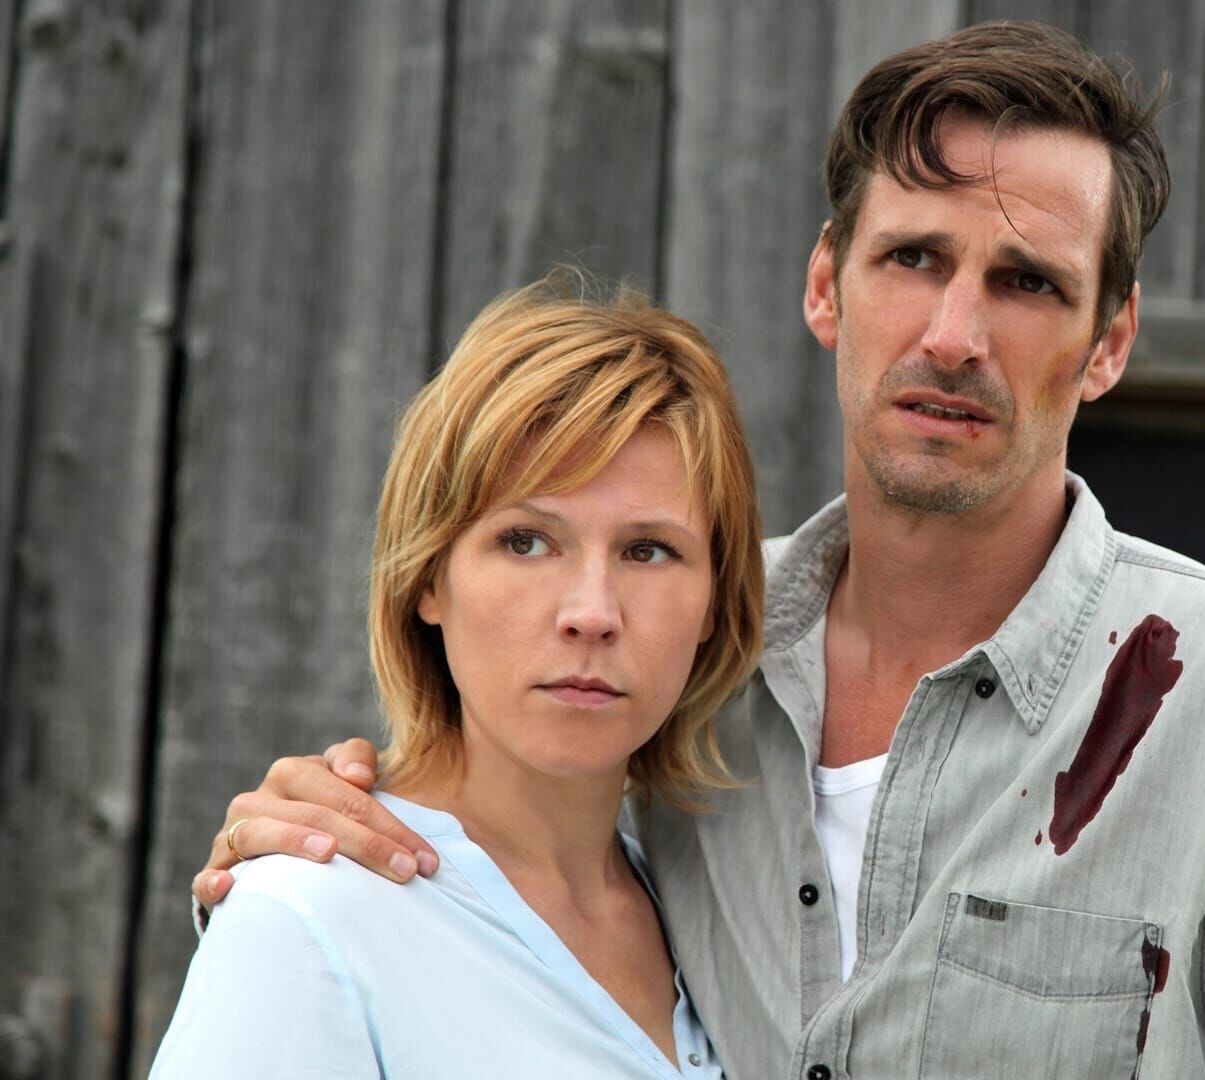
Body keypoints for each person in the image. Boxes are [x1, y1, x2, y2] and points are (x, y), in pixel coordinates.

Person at [191, 23, 1205, 1077]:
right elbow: (480, 874)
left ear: (1110, 342)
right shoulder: (693, 649)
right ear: (827, 284)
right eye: (913, 258)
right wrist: (297, 875)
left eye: (1028, 284)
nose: (954, 334)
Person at [152, 275, 764, 1078]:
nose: (592, 612)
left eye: (648, 551)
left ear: (715, 601)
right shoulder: (308, 920)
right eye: (526, 541)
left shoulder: (715, 923)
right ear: (429, 579)